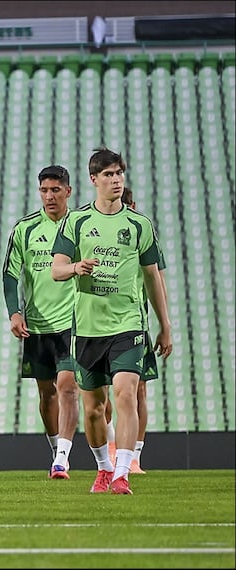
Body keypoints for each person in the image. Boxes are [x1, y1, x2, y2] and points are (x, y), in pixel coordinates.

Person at [51, 147, 172, 495]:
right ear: (94, 179)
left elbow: (152, 277)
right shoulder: (76, 222)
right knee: (94, 410)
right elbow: (56, 269)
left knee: (126, 394)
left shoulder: (139, 225)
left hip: (128, 325)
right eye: (108, 174)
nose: (116, 180)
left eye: (119, 173)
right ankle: (104, 467)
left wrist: (165, 325)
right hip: (89, 328)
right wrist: (76, 267)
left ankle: (122, 473)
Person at [2, 165, 80, 480]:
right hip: (37, 324)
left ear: (68, 192)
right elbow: (10, 275)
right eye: (44, 190)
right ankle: (56, 449)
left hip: (74, 321)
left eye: (55, 190)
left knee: (68, 386)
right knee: (47, 393)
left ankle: (62, 458)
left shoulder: (81, 226)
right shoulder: (25, 229)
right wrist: (14, 312)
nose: (49, 196)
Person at [103, 185, 168, 475]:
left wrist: (165, 325)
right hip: (99, 326)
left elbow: (158, 281)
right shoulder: (98, 236)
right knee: (102, 393)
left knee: (137, 390)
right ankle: (111, 445)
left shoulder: (143, 236)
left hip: (135, 324)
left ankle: (133, 457)